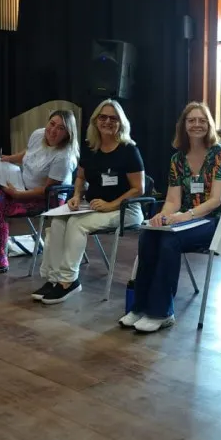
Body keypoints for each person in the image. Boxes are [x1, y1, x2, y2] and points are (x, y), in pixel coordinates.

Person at [117, 102, 221, 332]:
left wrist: (185, 216)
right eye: (191, 120)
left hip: (219, 221)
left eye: (202, 120)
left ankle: (161, 312)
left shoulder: (219, 154)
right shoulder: (177, 160)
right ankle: (140, 307)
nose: (197, 124)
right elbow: (173, 201)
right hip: (187, 220)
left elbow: (216, 200)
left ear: (209, 125)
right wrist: (162, 217)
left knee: (169, 240)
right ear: (183, 125)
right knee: (149, 236)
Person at [35, 99, 145, 305]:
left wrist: (111, 205)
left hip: (125, 209)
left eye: (113, 118)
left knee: (77, 224)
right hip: (93, 206)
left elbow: (139, 189)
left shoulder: (129, 150)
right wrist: (77, 196)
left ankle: (69, 281)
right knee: (57, 222)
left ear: (121, 122)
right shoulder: (90, 147)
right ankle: (54, 279)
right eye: (103, 117)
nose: (107, 122)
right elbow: (80, 177)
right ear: (95, 121)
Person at [0, 110, 77, 277]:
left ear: (68, 134)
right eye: (52, 124)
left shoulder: (64, 157)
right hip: (24, 185)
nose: (53, 130)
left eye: (61, 128)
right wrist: (9, 159)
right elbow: (28, 154)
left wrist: (17, 195)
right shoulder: (39, 134)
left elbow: (46, 190)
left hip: (48, 199)